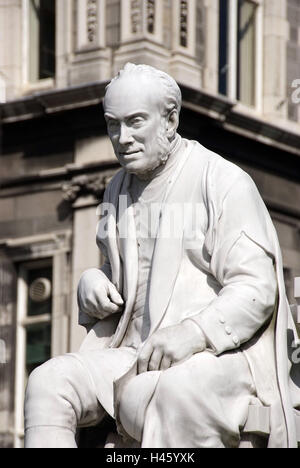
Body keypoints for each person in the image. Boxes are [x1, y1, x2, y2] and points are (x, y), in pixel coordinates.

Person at [24, 63, 300, 448]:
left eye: (136, 122)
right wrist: (94, 281)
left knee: (161, 394)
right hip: (132, 352)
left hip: (216, 353)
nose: (122, 138)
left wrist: (193, 332)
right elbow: (119, 275)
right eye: (112, 124)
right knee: (48, 383)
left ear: (170, 120)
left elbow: (256, 286)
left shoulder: (222, 180)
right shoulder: (116, 189)